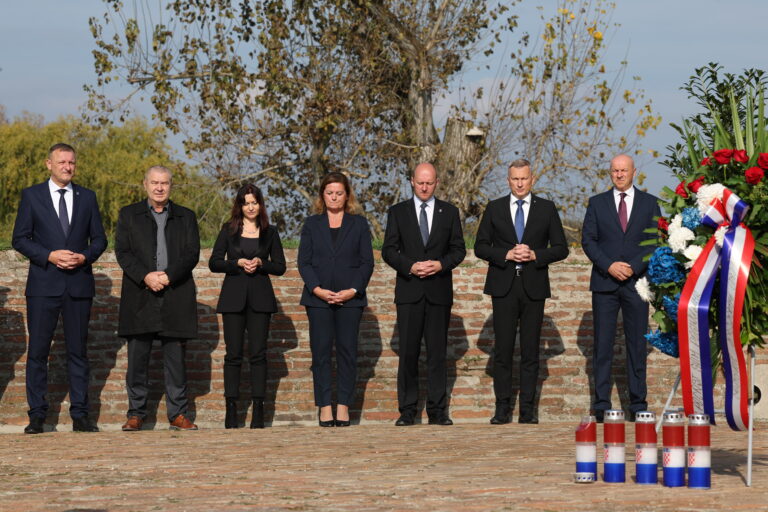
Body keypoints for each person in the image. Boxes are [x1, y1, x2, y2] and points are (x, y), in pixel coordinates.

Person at [11, 143, 107, 434]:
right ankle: (37, 415)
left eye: (72, 162)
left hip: (78, 285)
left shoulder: (87, 197)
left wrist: (84, 257)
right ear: (48, 164)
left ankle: (80, 415)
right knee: (38, 352)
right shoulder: (32, 196)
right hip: (43, 285)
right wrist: (49, 255)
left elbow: (100, 240)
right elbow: (20, 239)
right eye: (62, 162)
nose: (68, 167)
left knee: (78, 352)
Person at [475, 159, 569, 424]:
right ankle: (502, 409)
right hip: (503, 286)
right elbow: (480, 246)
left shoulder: (546, 208)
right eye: (515, 179)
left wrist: (536, 254)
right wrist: (505, 254)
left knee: (530, 351)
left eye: (524, 179)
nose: (519, 184)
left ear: (532, 179)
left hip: (533, 286)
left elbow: (561, 248)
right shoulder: (494, 208)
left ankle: (528, 410)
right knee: (503, 351)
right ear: (508, 180)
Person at [115, 165, 201, 431]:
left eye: (164, 183)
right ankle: (136, 413)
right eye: (154, 183)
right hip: (140, 294)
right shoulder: (129, 215)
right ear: (145, 185)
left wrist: (168, 276)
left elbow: (192, 253)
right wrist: (146, 276)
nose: (159, 188)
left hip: (175, 293)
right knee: (137, 359)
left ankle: (178, 413)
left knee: (175, 359)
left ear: (171, 186)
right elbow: (123, 252)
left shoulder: (186, 216)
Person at [382, 162, 466, 426]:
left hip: (438, 291)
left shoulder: (449, 212)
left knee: (437, 354)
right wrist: (409, 266)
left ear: (437, 183)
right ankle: (407, 411)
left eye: (429, 183)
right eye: (420, 182)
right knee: (408, 353)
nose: (425, 187)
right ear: (412, 181)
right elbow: (388, 250)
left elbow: (458, 249)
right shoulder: (398, 212)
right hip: (409, 292)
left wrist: (441, 264)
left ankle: (438, 411)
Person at [581, 154, 661, 422]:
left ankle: (638, 404)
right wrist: (609, 265)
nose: (619, 174)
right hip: (604, 282)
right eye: (615, 170)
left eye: (623, 170)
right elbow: (588, 240)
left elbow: (654, 242)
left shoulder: (650, 203)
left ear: (634, 172)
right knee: (602, 345)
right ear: (610, 173)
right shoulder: (597, 203)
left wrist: (633, 267)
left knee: (637, 345)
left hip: (636, 283)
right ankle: (601, 405)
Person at [298, 172, 374, 427]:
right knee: (320, 354)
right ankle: (324, 407)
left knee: (347, 352)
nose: (334, 197)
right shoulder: (311, 224)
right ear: (322, 195)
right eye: (329, 192)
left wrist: (353, 290)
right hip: (318, 299)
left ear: (347, 195)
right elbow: (304, 262)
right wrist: (316, 289)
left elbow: (366, 262)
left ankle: (343, 406)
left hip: (350, 300)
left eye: (339, 193)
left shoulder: (359, 224)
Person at [209, 184, 286, 429]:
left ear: (260, 204)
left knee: (258, 355)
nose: (250, 207)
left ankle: (259, 409)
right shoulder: (228, 229)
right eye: (246, 203)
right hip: (233, 298)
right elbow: (214, 263)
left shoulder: (270, 232)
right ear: (239, 206)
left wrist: (262, 263)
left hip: (261, 299)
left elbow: (280, 267)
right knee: (233, 355)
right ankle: (231, 409)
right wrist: (237, 263)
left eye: (254, 202)